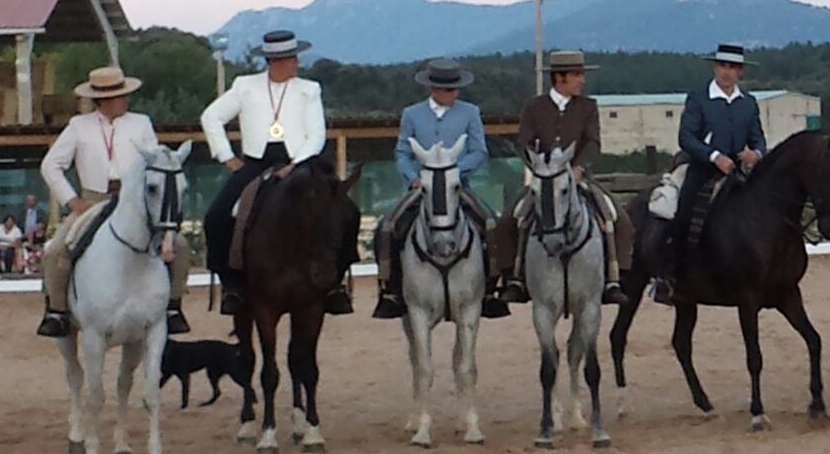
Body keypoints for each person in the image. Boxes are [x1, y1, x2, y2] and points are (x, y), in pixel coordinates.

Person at [200, 30, 355, 315]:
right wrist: (227, 157)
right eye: (290, 58)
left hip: (302, 161)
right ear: (274, 61)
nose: (295, 62)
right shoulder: (245, 86)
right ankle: (231, 284)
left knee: (346, 211)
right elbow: (211, 117)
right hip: (256, 162)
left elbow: (316, 134)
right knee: (217, 216)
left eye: (295, 57)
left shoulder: (309, 89)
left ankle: (335, 282)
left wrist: (296, 164)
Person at [36, 66, 193, 337]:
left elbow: (154, 162)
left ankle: (173, 307)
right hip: (93, 200)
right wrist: (72, 200)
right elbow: (51, 165)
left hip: (134, 203)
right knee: (55, 251)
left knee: (179, 244)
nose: (126, 100)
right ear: (103, 100)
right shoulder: (78, 126)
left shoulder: (141, 123)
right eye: (121, 96)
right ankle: (57, 312)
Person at [372, 58, 507, 319]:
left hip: (457, 185)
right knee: (388, 225)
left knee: (490, 222)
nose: (453, 94)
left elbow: (479, 150)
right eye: (448, 90)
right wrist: (414, 177)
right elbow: (402, 152)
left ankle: (490, 290)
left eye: (456, 89)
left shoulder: (470, 112)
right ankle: (390, 289)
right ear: (433, 89)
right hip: (421, 185)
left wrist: (456, 172)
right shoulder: (412, 114)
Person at [496, 50, 631, 306]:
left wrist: (579, 167)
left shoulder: (588, 106)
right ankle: (514, 278)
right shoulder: (534, 107)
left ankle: (614, 278)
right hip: (543, 178)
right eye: (577, 75)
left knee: (617, 218)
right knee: (510, 221)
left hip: (579, 177)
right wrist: (539, 167)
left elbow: (593, 142)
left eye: (581, 74)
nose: (582, 80)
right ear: (560, 77)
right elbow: (523, 142)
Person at [650, 43, 768, 306]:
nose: (726, 72)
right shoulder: (699, 98)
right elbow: (686, 138)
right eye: (722, 66)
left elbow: (759, 140)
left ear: (740, 72)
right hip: (703, 168)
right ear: (715, 67)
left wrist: (756, 155)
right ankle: (668, 275)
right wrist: (714, 156)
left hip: (738, 171)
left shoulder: (748, 103)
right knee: (682, 214)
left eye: (732, 67)